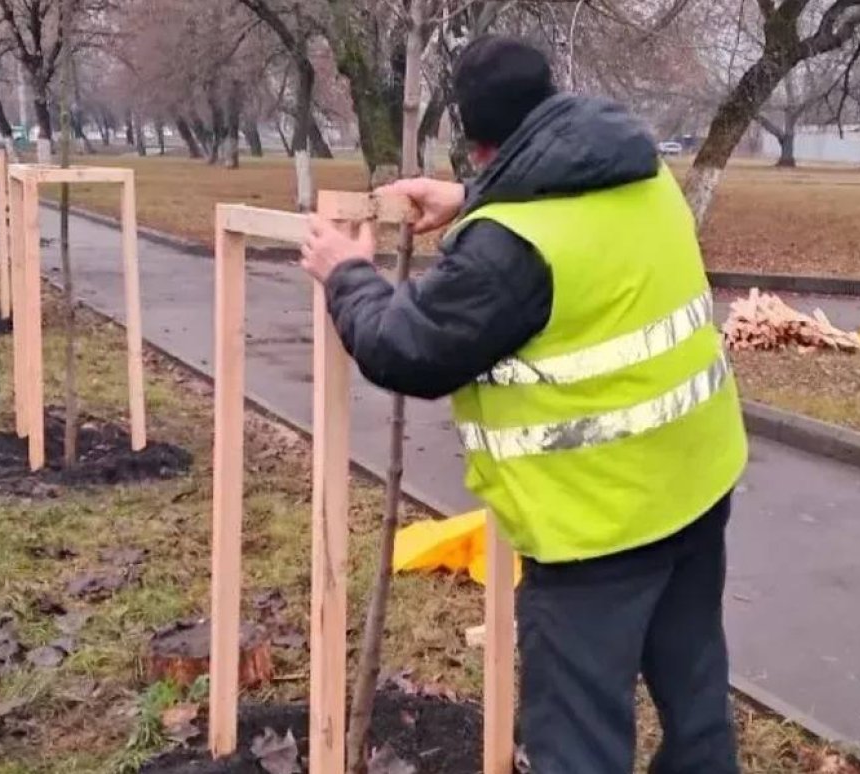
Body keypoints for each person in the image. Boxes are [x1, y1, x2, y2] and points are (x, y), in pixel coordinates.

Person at [298, 35, 747, 774]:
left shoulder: (509, 248)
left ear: (475, 144)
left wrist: (347, 274)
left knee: (580, 745)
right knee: (696, 704)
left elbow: (407, 348)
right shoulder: (640, 170)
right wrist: (474, 199)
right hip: (697, 487)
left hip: (596, 529)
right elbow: (563, 201)